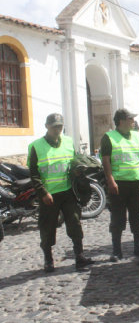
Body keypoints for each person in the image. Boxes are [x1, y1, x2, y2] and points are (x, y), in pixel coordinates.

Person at [28, 113, 94, 272]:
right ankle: (48, 260)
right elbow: (33, 173)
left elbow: (73, 163)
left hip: (68, 192)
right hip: (49, 196)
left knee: (75, 223)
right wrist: (43, 193)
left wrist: (77, 172)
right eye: (54, 127)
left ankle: (79, 256)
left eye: (60, 126)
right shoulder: (36, 146)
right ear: (47, 127)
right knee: (47, 227)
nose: (57, 129)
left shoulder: (68, 142)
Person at [101, 109, 139, 262]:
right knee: (117, 218)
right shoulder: (109, 138)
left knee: (138, 216)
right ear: (121, 121)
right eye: (130, 119)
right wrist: (110, 180)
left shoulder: (137, 136)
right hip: (118, 184)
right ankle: (117, 251)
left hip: (137, 183)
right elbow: (105, 160)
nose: (133, 121)